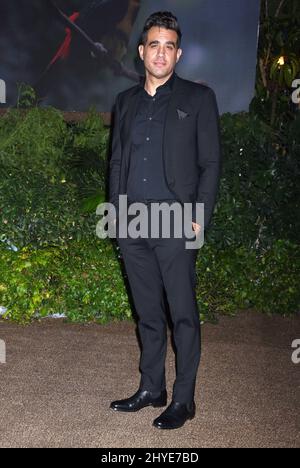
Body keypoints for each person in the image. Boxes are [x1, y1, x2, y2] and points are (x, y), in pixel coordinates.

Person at [108, 11, 222, 430]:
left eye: (168, 46)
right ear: (141, 52)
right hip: (134, 222)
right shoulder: (124, 102)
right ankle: (151, 388)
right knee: (148, 314)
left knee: (183, 315)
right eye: (154, 44)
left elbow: (211, 163)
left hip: (176, 222)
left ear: (178, 54)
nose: (161, 52)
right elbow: (117, 161)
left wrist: (199, 218)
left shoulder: (198, 99)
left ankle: (184, 400)